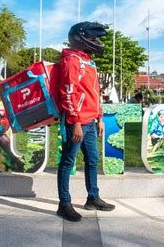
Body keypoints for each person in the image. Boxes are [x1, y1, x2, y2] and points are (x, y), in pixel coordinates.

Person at [56, 21, 115, 222]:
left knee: (93, 160)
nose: (96, 42)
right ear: (78, 39)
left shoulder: (89, 61)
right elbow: (68, 93)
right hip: (76, 122)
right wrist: (76, 122)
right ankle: (64, 204)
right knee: (68, 162)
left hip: (91, 121)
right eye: (92, 39)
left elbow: (94, 92)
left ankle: (93, 197)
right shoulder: (71, 60)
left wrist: (99, 118)